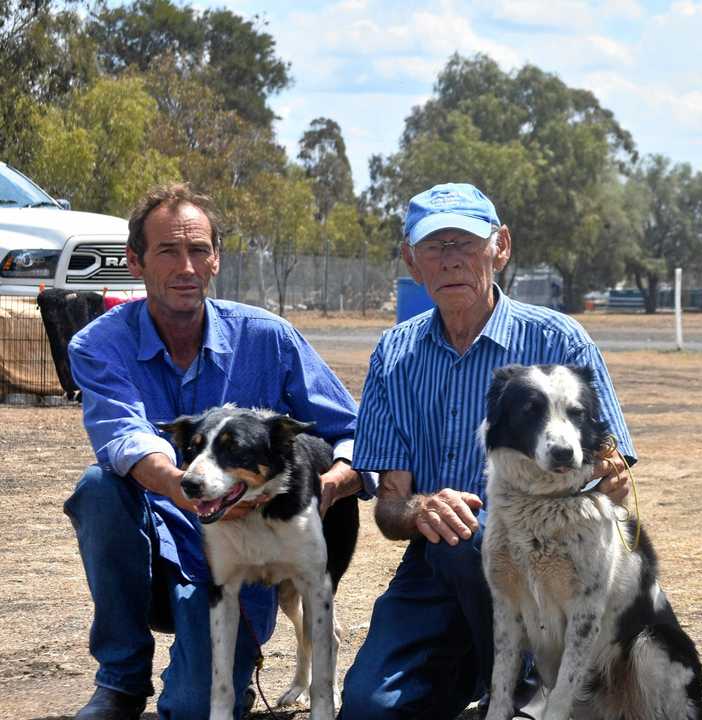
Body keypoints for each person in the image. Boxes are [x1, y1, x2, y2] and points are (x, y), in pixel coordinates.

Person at [63, 184, 366, 720]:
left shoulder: (269, 338)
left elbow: (353, 431)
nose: (186, 266)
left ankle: (215, 672)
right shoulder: (97, 345)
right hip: (153, 550)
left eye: (199, 250)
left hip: (243, 555)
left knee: (194, 708)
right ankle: (121, 681)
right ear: (135, 261)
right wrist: (185, 488)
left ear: (216, 260)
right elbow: (125, 439)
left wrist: (331, 484)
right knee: (98, 489)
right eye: (167, 251)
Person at [339, 182, 636, 719]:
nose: (450, 260)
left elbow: (613, 472)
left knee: (478, 536)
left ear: (500, 247)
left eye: (465, 244)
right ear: (412, 260)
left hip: (553, 565)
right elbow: (389, 508)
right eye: (435, 246)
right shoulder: (394, 355)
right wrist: (418, 508)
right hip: (436, 565)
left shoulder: (559, 342)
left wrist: (602, 480)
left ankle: (531, 687)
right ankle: (478, 681)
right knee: (367, 708)